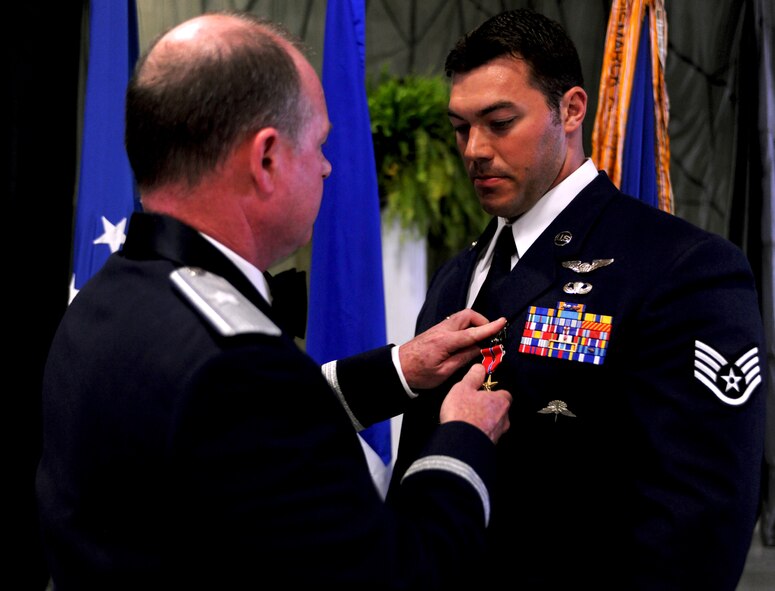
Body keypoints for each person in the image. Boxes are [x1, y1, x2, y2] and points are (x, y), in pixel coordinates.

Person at [35, 12, 513, 590]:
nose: (327, 167)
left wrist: (398, 370)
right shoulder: (236, 364)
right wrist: (463, 437)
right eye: (318, 144)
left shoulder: (106, 296)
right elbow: (395, 576)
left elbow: (238, 435)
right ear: (265, 160)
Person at [388, 8, 768, 590]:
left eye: (499, 122)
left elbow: (697, 529)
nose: (474, 150)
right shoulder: (458, 275)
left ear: (570, 110)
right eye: (461, 127)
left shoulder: (679, 268)